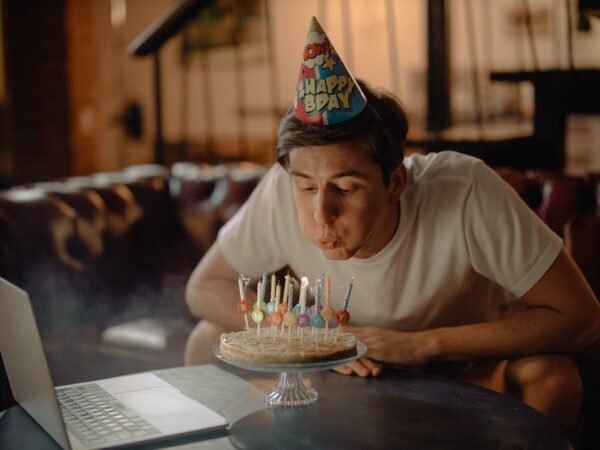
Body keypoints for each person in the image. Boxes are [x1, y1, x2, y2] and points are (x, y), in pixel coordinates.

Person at [184, 17, 600, 443]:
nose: (321, 212)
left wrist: (422, 344)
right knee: (205, 340)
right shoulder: (279, 189)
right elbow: (203, 288)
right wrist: (309, 345)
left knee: (552, 376)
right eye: (306, 187)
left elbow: (582, 318)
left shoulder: (463, 190)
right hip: (344, 373)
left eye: (346, 188)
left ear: (395, 184)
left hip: (467, 373)